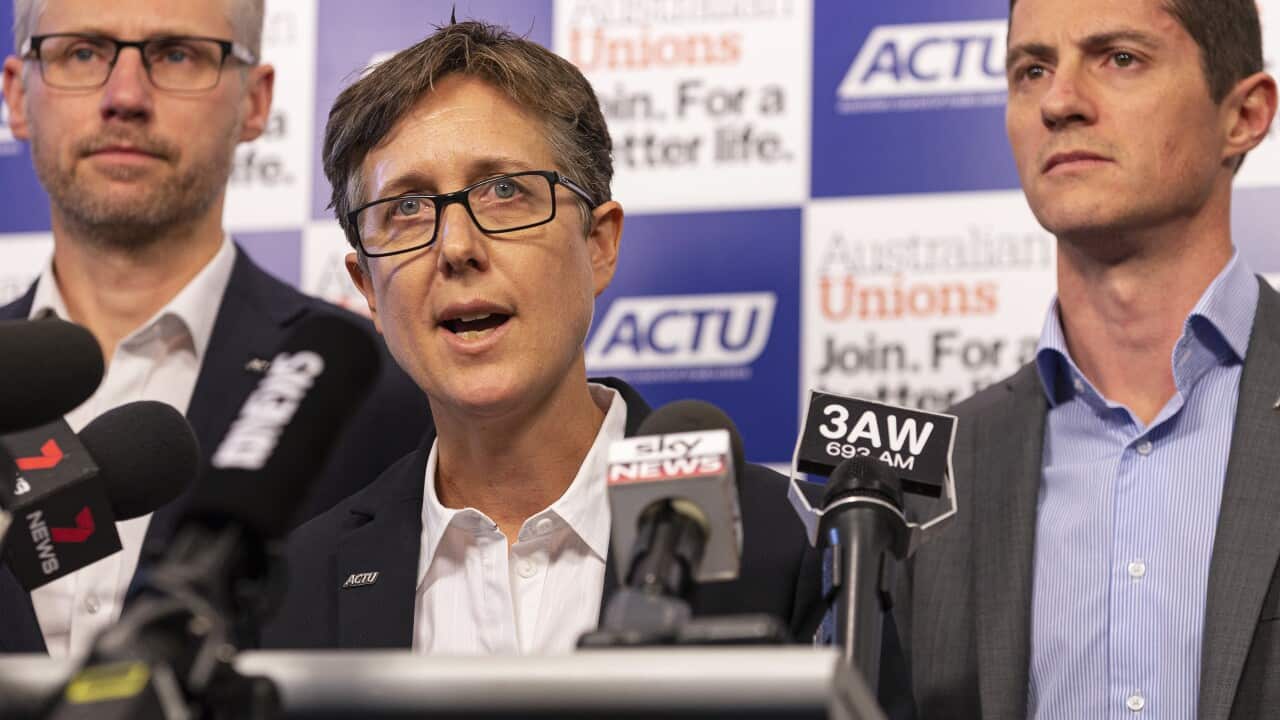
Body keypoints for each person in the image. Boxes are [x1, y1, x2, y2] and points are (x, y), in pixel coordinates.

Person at [261, 20, 821, 654]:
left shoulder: (791, 543)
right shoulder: (292, 591)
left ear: (600, 245)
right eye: (407, 208)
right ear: (367, 285)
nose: (457, 248)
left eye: (504, 192)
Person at [0, 0, 431, 657]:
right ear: (16, 96)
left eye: (176, 54)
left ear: (256, 102)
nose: (125, 97)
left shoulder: (369, 394)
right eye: (82, 52)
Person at [903, 0, 1280, 717]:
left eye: (1120, 58)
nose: (1059, 101)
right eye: (1031, 68)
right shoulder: (942, 473)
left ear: (1244, 115)